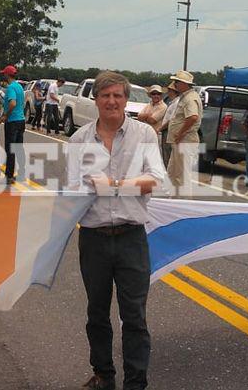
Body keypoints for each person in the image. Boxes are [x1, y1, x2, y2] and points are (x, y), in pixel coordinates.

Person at [66, 71, 165, 390]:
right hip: (93, 238)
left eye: (117, 96)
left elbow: (156, 181)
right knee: (96, 312)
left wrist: (115, 187)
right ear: (95, 99)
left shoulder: (144, 135)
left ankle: (136, 382)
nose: (111, 101)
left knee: (134, 316)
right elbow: (71, 190)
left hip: (131, 238)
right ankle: (103, 375)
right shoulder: (79, 140)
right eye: (105, 95)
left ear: (126, 99)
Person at [165, 70, 202, 196]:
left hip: (185, 141)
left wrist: (180, 134)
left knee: (182, 176)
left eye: (177, 82)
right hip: (181, 141)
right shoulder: (186, 97)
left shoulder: (190, 98)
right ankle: (174, 199)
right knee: (174, 172)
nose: (174, 84)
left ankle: (184, 202)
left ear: (185, 84)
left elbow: (192, 117)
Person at [0, 65, 26, 185]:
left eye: (4, 74)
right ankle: (22, 173)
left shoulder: (10, 88)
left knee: (10, 149)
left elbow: (13, 103)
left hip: (13, 121)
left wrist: (5, 115)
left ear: (7, 75)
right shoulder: (20, 86)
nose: (3, 75)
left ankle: (9, 175)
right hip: (21, 120)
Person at [159, 83, 179, 165]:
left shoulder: (176, 103)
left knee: (167, 155)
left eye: (170, 90)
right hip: (166, 130)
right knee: (165, 154)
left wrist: (160, 128)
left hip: (168, 130)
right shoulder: (172, 102)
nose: (168, 92)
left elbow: (171, 120)